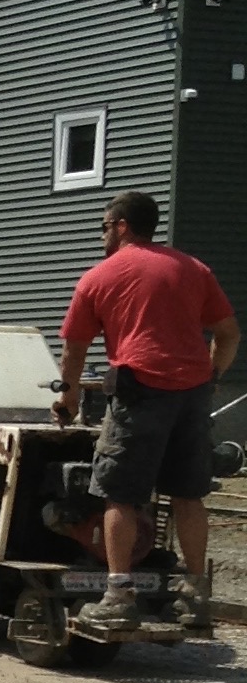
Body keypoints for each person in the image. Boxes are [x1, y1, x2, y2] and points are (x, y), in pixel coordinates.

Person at [56, 191, 238, 637]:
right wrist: (211, 375)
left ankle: (118, 597)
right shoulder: (193, 269)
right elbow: (229, 334)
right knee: (189, 495)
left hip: (140, 394)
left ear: (121, 226)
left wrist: (69, 400)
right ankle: (194, 595)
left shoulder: (99, 277)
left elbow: (75, 349)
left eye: (104, 227)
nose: (102, 235)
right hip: (192, 397)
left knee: (119, 495)